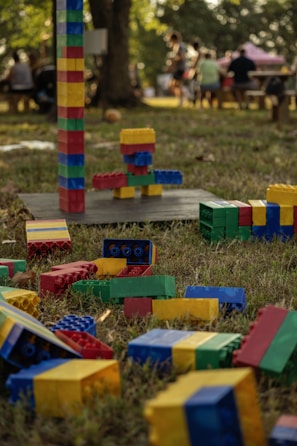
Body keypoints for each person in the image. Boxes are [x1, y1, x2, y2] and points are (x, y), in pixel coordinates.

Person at [166, 32, 187, 106]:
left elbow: (182, 57)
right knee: (174, 85)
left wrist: (173, 59)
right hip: (177, 68)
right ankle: (184, 98)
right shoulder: (178, 46)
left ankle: (184, 98)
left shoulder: (179, 46)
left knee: (176, 85)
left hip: (180, 68)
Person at [188, 40, 201, 106]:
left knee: (195, 88)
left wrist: (191, 66)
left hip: (197, 73)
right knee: (194, 87)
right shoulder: (198, 53)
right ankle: (194, 100)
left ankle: (194, 101)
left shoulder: (198, 53)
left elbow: (195, 65)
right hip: (196, 73)